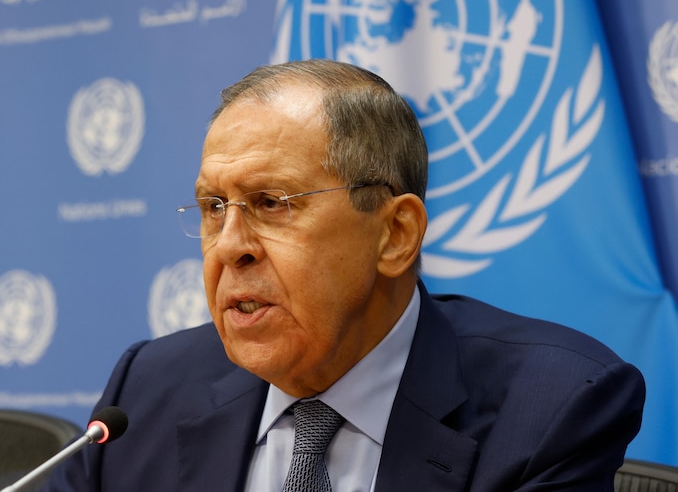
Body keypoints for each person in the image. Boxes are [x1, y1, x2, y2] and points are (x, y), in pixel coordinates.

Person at [42, 59, 645, 491]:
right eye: (212, 208)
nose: (229, 247)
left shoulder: (553, 407)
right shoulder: (145, 391)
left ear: (395, 234)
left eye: (272, 202)